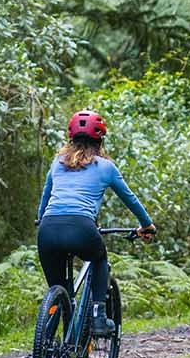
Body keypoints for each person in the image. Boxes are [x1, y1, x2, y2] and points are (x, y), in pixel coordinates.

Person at [36, 109, 155, 336]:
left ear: (71, 139)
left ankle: (48, 346)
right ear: (100, 140)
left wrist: (40, 219)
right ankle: (98, 317)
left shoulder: (56, 163)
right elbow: (131, 200)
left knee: (59, 289)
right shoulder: (106, 167)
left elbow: (45, 198)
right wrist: (146, 225)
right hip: (82, 228)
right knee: (99, 257)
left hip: (48, 230)